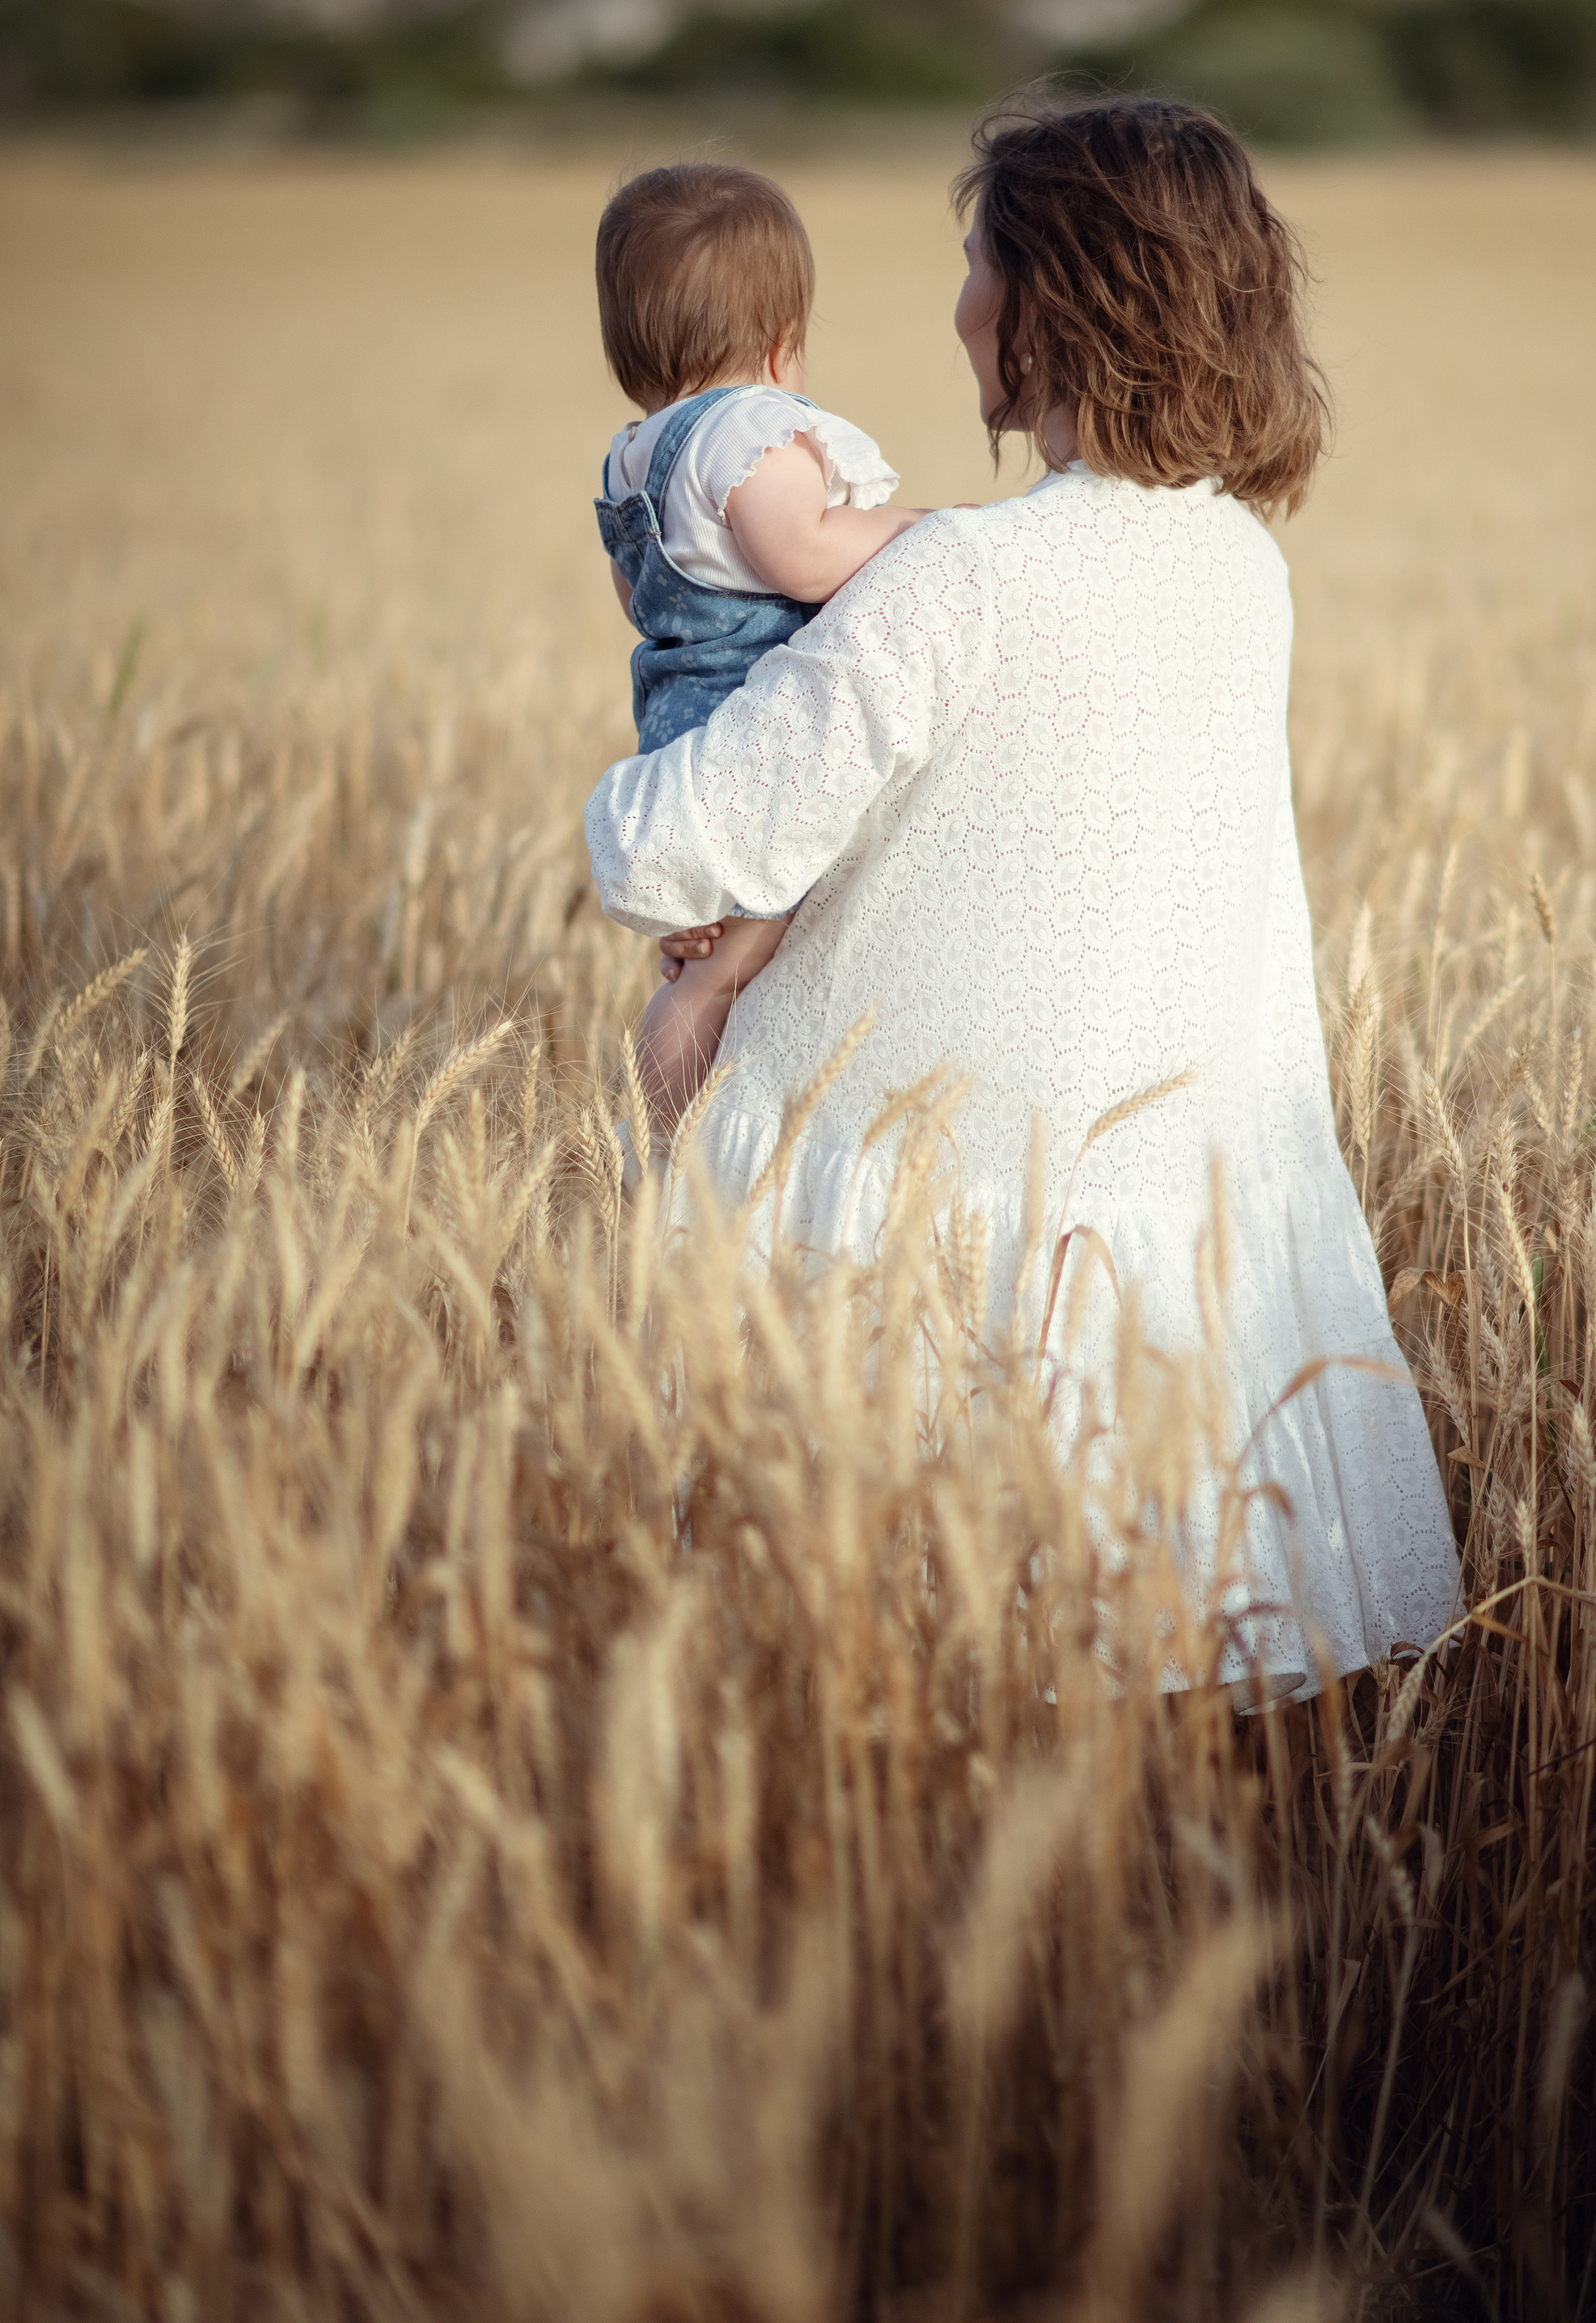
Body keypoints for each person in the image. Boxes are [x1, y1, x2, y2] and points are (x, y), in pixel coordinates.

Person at [586, 99, 1458, 1694]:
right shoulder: (1234, 562)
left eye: (976, 266)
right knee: (1139, 1686)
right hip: (1171, 1209)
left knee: (904, 1694)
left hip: (927, 1214)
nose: (956, 306)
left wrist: (626, 794)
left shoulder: (957, 579)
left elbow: (675, 845)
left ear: (1042, 305)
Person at [592, 161, 924, 1135]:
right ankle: (678, 1144)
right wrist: (922, 528)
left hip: (677, 725)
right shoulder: (753, 430)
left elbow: (641, 594)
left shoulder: (633, 454)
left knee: (710, 956)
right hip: (758, 728)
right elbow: (805, 554)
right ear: (784, 341)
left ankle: (679, 1138)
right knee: (727, 973)